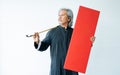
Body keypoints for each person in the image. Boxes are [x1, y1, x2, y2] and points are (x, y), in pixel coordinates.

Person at [33, 8, 95, 75]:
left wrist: (89, 42)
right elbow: (43, 46)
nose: (59, 17)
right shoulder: (52, 32)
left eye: (62, 15)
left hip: (71, 69)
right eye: (59, 15)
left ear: (69, 18)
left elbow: (82, 49)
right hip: (57, 68)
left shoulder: (76, 33)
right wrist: (37, 41)